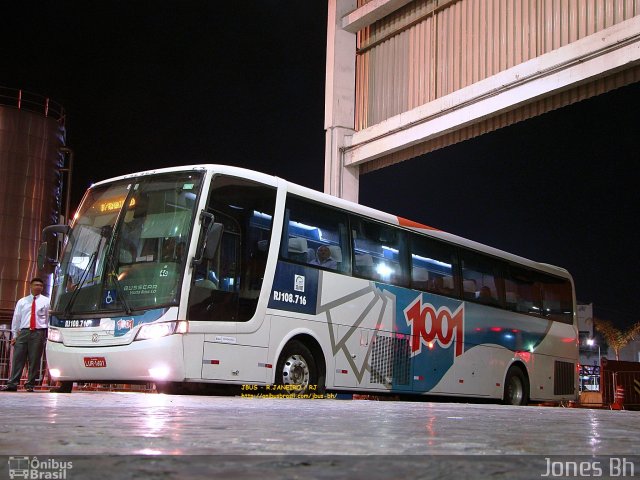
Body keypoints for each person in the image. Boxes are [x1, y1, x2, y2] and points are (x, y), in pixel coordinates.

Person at [1, 277, 50, 392]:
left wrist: (47, 333)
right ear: (31, 286)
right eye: (36, 285)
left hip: (39, 332)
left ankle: (30, 385)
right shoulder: (22, 301)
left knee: (34, 360)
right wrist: (14, 335)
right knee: (18, 358)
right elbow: (16, 318)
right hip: (23, 332)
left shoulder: (46, 301)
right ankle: (12, 384)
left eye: (40, 285)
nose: (38, 287)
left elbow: (48, 318)